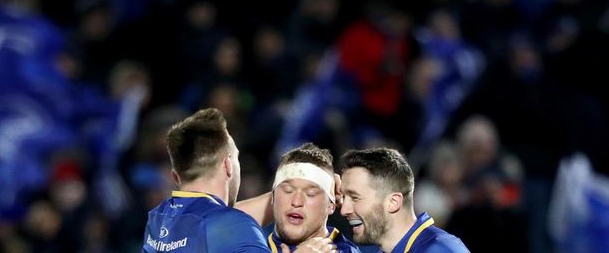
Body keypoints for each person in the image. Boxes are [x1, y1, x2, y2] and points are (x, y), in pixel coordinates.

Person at [143, 108, 336, 253]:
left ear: (175, 176)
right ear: (228, 165)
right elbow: (227, 223)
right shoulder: (237, 228)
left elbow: (215, 220)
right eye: (236, 158)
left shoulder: (158, 221)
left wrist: (307, 185)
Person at [340, 148, 469, 253]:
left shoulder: (440, 249)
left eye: (355, 198)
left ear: (393, 202)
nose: (344, 210)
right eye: (344, 197)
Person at [268, 143, 360, 252]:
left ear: (331, 205)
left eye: (311, 194)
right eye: (288, 190)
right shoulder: (250, 241)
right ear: (273, 196)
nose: (297, 202)